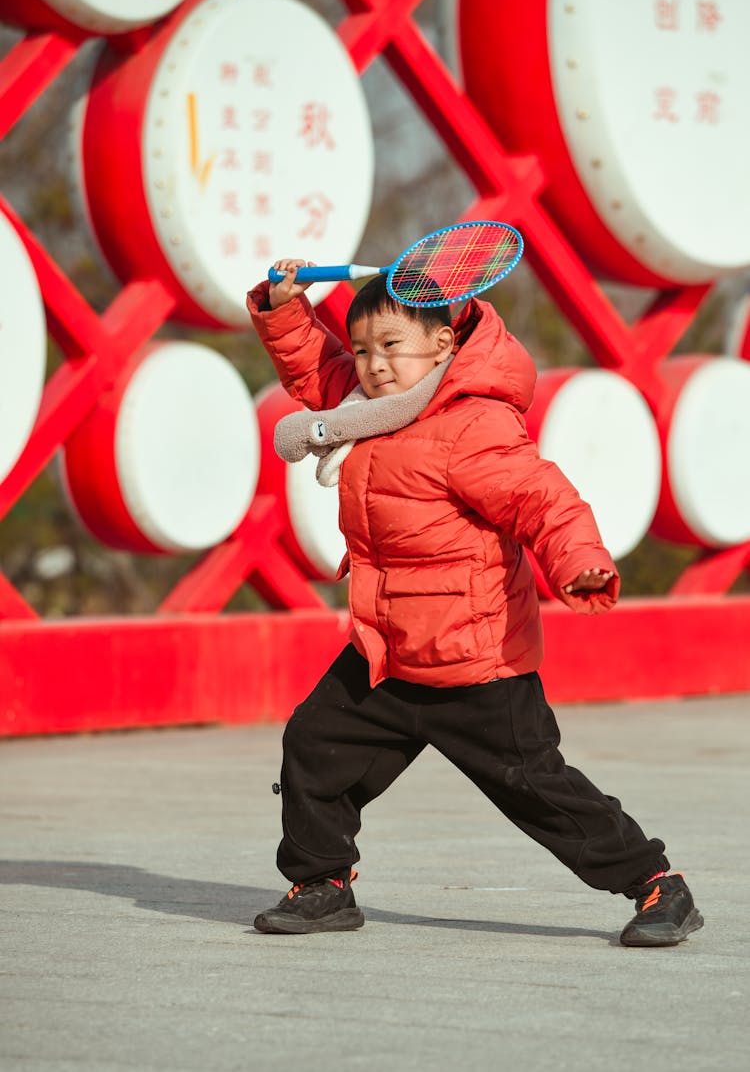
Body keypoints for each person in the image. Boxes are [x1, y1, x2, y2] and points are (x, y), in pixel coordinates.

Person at [244, 258, 703, 947]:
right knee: (315, 743)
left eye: (391, 346)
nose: (372, 364)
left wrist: (579, 563)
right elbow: (314, 366)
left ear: (444, 344)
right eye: (363, 347)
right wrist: (282, 306)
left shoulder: (471, 424)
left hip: (477, 660)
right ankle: (322, 883)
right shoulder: (360, 409)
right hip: (387, 653)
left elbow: (542, 498)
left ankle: (656, 883)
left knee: (539, 789)